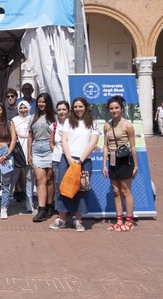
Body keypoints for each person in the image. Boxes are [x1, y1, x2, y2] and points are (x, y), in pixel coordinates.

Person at [51, 97, 99, 232]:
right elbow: (64, 140)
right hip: (67, 160)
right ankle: (62, 219)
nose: (78, 109)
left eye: (81, 106)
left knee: (82, 190)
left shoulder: (93, 123)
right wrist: (70, 159)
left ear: (86, 107)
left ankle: (78, 219)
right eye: (76, 107)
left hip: (84, 162)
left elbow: (92, 142)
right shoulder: (68, 121)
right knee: (63, 187)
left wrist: (80, 160)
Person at [102, 96, 139, 232]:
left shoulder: (127, 125)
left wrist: (136, 165)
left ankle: (129, 221)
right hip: (112, 160)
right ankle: (119, 220)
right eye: (111, 108)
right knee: (116, 191)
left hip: (124, 160)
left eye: (117, 108)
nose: (114, 110)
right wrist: (104, 165)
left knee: (125, 191)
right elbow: (105, 146)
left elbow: (133, 147)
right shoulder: (107, 125)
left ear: (121, 109)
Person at [28, 93, 56, 222]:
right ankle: (41, 209)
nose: (41, 104)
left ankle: (50, 205)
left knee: (50, 180)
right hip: (36, 149)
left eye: (44, 102)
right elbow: (30, 136)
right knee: (40, 180)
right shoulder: (32, 118)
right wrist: (29, 154)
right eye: (39, 101)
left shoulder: (53, 117)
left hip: (50, 149)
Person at [12, 100, 34, 213]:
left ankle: (29, 204)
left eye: (25, 108)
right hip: (17, 151)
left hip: (29, 150)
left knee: (30, 178)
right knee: (12, 178)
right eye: (21, 108)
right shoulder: (14, 120)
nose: (23, 110)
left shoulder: (33, 118)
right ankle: (6, 203)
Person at [50, 101, 70, 218]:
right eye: (59, 109)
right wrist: (56, 152)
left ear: (68, 111)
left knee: (70, 185)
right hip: (57, 160)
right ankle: (60, 211)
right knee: (59, 185)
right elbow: (51, 143)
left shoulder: (73, 125)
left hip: (70, 159)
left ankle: (70, 209)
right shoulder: (54, 125)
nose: (62, 112)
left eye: (64, 109)